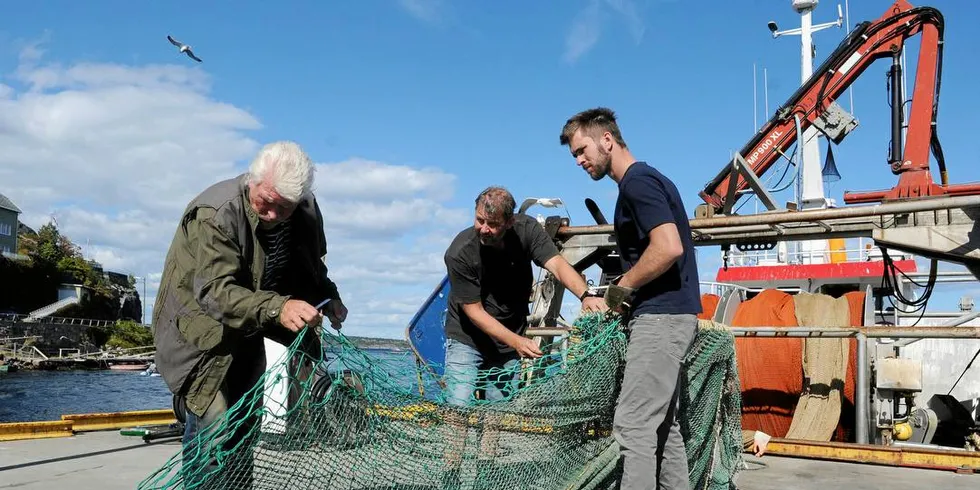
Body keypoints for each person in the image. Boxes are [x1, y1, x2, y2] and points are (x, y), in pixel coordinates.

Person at [152, 140, 347, 487]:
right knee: (214, 432)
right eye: (266, 203)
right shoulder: (216, 212)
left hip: (252, 331)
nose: (273, 215)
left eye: (284, 208)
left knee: (243, 435)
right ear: (252, 182)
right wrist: (278, 307)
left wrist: (327, 296)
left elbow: (310, 267)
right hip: (202, 335)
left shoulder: (303, 211)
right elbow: (214, 292)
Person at [560, 108, 702, 490]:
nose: (579, 160)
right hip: (670, 316)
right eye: (574, 155)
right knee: (661, 426)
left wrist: (620, 287)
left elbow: (668, 247)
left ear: (607, 139)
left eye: (582, 150)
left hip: (660, 319)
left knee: (633, 423)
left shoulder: (638, 182)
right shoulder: (646, 181)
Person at [442, 186, 608, 406]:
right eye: (480, 220)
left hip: (509, 338)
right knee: (458, 406)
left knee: (498, 412)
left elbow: (557, 265)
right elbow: (474, 312)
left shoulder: (526, 230)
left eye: (492, 224)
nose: (484, 229)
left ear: (510, 222)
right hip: (467, 338)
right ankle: (454, 442)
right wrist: (518, 342)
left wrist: (585, 295)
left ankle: (491, 443)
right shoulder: (460, 252)